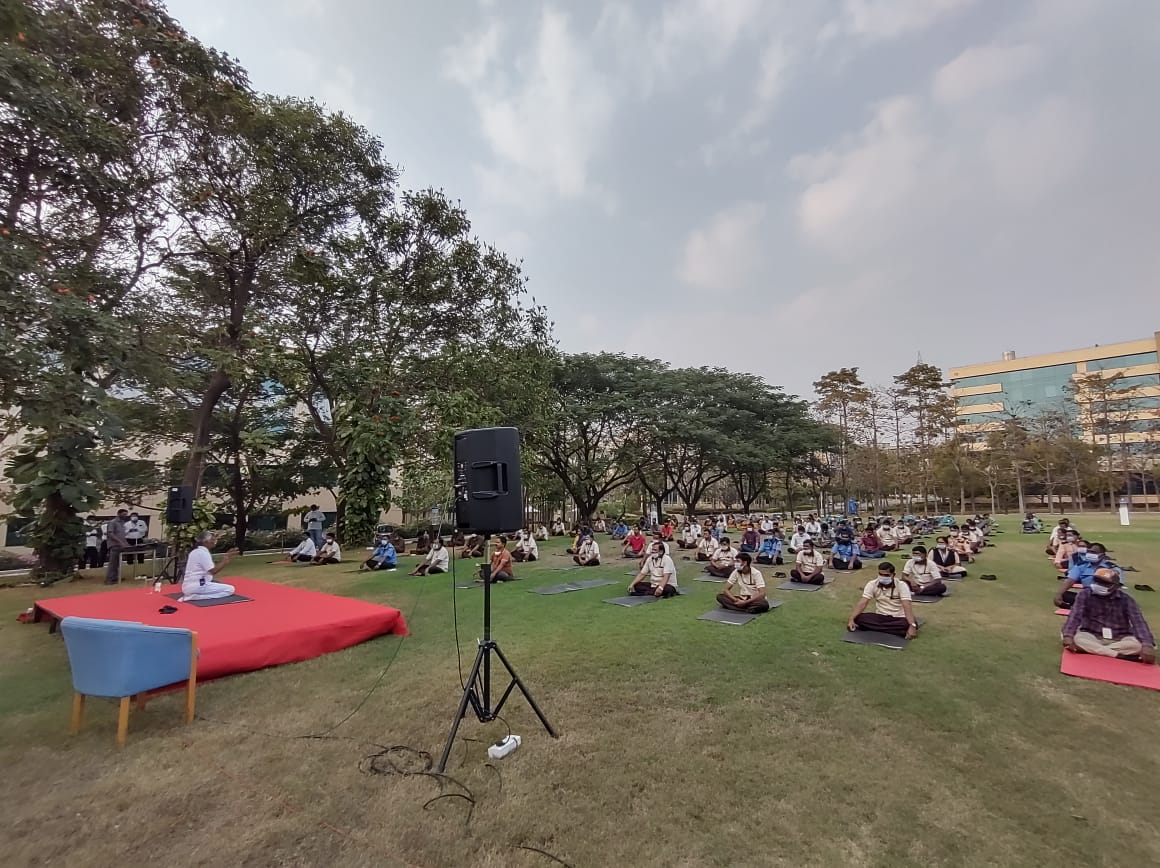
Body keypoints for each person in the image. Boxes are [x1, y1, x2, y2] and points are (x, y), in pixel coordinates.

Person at [1062, 569, 1156, 663]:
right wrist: (1068, 635)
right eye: (1097, 581)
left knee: (1137, 646)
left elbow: (1139, 623)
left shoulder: (1126, 600)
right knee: (1077, 639)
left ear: (1116, 586)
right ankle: (1118, 655)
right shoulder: (1085, 595)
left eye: (1104, 583)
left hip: (1119, 638)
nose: (1099, 585)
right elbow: (1075, 616)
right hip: (1091, 635)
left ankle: (1098, 651)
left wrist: (1147, 644)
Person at [847, 562, 918, 639]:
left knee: (907, 624)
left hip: (898, 618)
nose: (883, 577)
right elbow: (863, 602)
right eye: (881, 574)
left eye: (886, 575)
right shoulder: (872, 584)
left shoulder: (901, 585)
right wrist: (851, 619)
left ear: (893, 575)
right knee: (859, 618)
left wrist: (912, 625)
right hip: (881, 616)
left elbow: (906, 605)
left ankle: (876, 628)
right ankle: (899, 632)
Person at [179, 530, 240, 602]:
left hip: (188, 586)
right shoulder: (203, 553)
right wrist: (225, 559)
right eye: (212, 539)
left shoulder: (195, 551)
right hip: (198, 586)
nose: (214, 541)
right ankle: (196, 597)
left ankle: (194, 595)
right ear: (205, 542)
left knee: (218, 584)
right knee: (230, 589)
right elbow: (213, 571)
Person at [1057, 542, 1121, 609]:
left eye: (1093, 552)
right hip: (1087, 595)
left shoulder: (1112, 567)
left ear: (1102, 555)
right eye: (1089, 552)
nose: (1090, 554)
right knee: (1064, 595)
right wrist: (1059, 594)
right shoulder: (1081, 566)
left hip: (1106, 597)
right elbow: (1070, 580)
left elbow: (1117, 586)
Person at [104, 508, 129, 584]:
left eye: (126, 514)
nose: (125, 516)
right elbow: (110, 533)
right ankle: (109, 579)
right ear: (118, 514)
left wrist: (126, 543)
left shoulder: (122, 523)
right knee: (113, 563)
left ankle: (115, 577)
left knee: (117, 563)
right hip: (114, 545)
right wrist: (120, 542)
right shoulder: (113, 522)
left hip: (121, 545)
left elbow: (122, 535)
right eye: (123, 514)